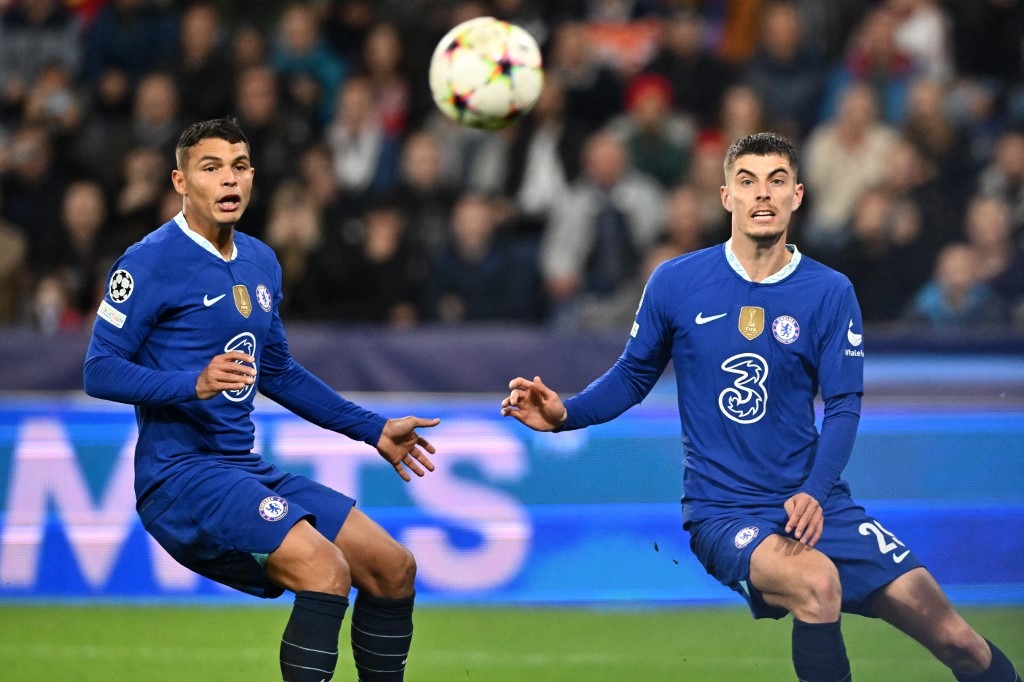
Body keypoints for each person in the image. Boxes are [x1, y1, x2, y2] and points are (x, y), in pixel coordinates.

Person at [501, 132, 1021, 681]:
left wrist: (816, 493)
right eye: (747, 182)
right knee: (817, 584)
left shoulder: (829, 291)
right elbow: (633, 375)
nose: (762, 195)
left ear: (797, 195)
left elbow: (843, 405)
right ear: (726, 196)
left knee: (959, 641)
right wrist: (566, 414)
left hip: (816, 503)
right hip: (725, 513)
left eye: (776, 182)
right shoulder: (677, 282)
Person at [83, 118, 440, 682]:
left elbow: (278, 372)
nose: (230, 180)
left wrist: (372, 429)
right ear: (180, 181)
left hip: (241, 468)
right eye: (211, 168)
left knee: (392, 568)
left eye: (240, 166)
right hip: (179, 478)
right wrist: (191, 383)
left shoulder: (260, 261)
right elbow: (98, 370)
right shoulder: (147, 262)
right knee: (325, 570)